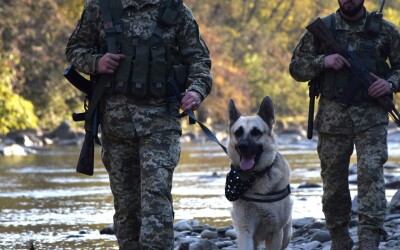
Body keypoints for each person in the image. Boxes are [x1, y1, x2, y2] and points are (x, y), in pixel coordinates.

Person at [65, 0, 212, 249]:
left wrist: (196, 91)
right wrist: (96, 62)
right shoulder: (100, 7)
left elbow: (199, 60)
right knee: (126, 206)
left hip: (160, 122)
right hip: (115, 123)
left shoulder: (175, 10)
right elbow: (74, 49)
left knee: (156, 200)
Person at [289, 0, 400, 249]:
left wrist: (390, 84)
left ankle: (369, 239)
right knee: (333, 181)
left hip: (371, 118)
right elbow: (296, 68)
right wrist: (322, 62)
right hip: (332, 118)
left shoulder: (386, 30)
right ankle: (339, 237)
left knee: (371, 175)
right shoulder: (323, 28)